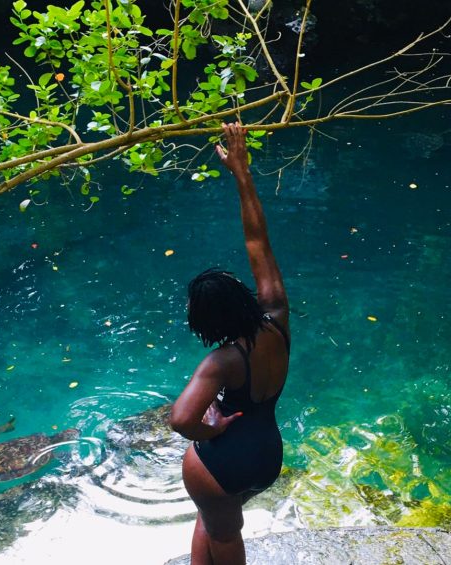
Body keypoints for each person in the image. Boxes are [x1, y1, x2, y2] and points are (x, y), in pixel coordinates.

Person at [170, 122, 291, 565]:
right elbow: (257, 240)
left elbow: (181, 419)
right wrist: (242, 172)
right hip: (266, 456)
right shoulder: (277, 317)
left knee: (225, 536)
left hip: (219, 464)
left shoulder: (221, 361)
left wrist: (212, 429)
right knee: (214, 519)